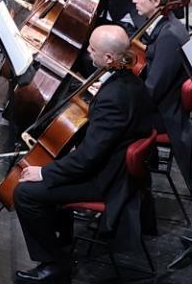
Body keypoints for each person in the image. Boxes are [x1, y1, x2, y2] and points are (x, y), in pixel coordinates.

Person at [11, 24, 157, 283]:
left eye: (92, 49)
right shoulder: (130, 80)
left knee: (25, 193)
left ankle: (54, 264)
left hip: (107, 181)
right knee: (59, 162)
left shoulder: (115, 97)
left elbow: (89, 159)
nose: (88, 53)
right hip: (114, 167)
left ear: (109, 58)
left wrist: (44, 172)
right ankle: (63, 239)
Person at [128, 0, 192, 179]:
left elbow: (152, 91)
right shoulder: (164, 25)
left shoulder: (169, 36)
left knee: (104, 119)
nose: (133, 0)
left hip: (164, 116)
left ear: (156, 1)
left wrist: (118, 97)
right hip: (160, 107)